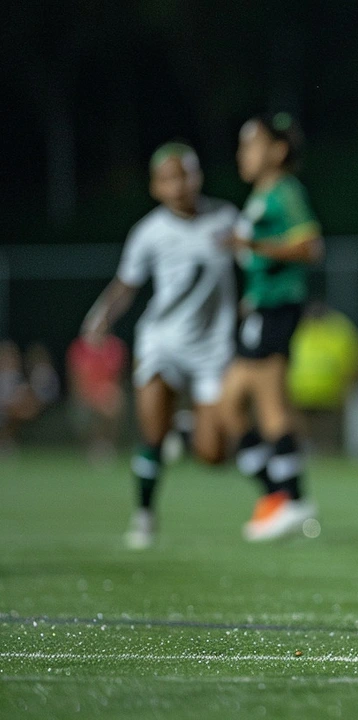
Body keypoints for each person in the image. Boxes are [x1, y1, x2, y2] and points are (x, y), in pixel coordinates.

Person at [80, 143, 239, 549]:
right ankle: (144, 516)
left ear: (199, 176)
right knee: (151, 434)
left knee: (213, 454)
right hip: (161, 342)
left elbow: (254, 266)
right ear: (155, 186)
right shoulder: (149, 231)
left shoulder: (226, 219)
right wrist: (101, 316)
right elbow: (126, 285)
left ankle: (183, 429)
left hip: (212, 350)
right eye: (170, 177)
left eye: (187, 173)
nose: (180, 184)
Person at [221, 113, 325, 542]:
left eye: (252, 144)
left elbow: (310, 245)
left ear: (278, 151)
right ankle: (278, 495)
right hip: (262, 308)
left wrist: (255, 246)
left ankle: (290, 499)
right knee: (229, 405)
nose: (243, 153)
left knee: (267, 404)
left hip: (280, 308)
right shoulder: (260, 196)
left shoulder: (284, 191)